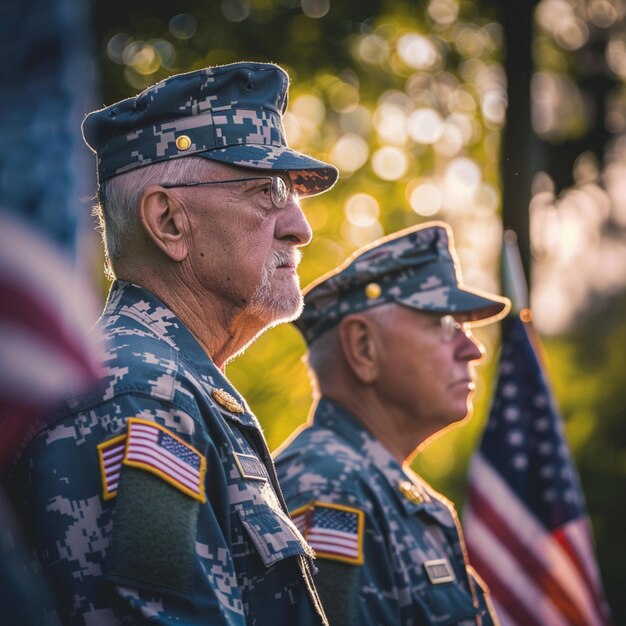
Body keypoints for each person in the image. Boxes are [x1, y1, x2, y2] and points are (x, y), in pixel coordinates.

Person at [4, 62, 337, 625]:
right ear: (169, 221)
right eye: (267, 190)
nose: (299, 227)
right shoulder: (141, 397)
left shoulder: (170, 385)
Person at [274, 222, 510, 626]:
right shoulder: (330, 489)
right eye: (446, 325)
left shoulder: (378, 489)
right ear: (364, 348)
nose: (474, 349)